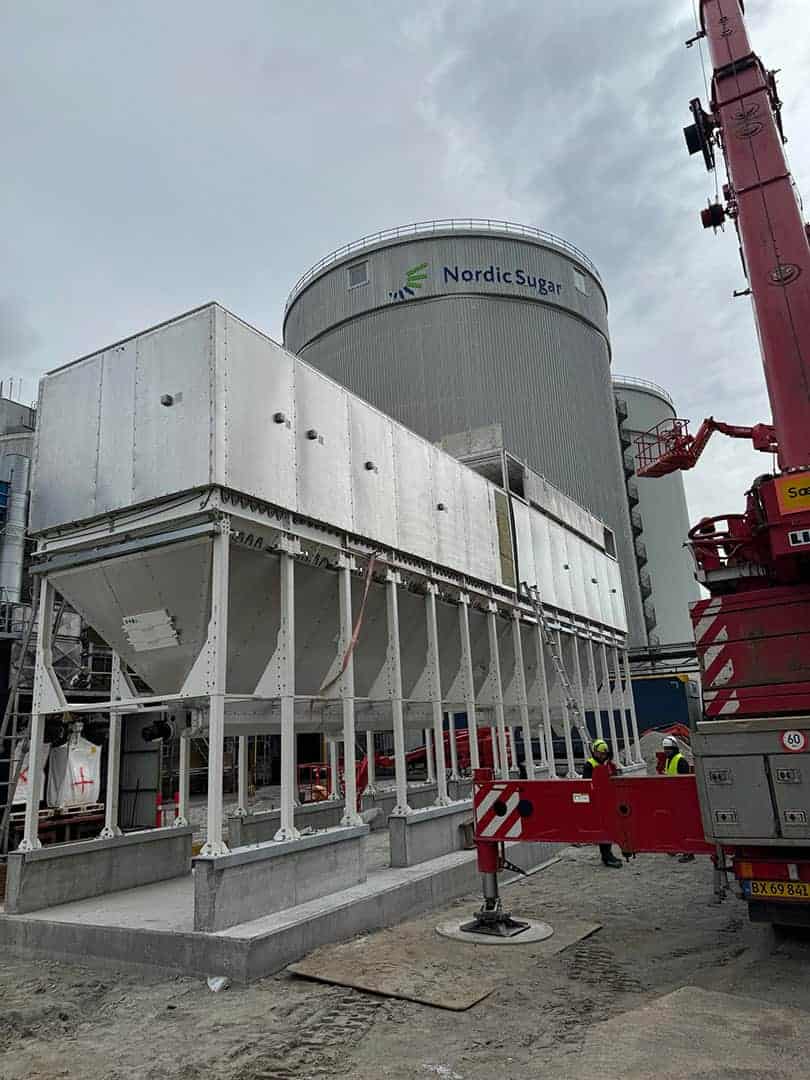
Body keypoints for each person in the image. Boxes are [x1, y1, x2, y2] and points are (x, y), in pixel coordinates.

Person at [581, 738, 623, 868]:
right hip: (597, 801)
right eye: (600, 753)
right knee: (604, 829)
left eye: (604, 753)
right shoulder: (590, 764)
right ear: (595, 752)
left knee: (609, 828)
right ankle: (606, 856)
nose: (602, 755)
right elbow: (587, 783)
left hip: (607, 800)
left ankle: (608, 854)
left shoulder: (607, 763)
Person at [661, 736, 695, 863]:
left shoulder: (681, 761)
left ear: (674, 748)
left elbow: (685, 782)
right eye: (665, 749)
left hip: (681, 800)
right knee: (674, 826)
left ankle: (689, 852)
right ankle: (676, 847)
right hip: (672, 798)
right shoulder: (669, 760)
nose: (666, 751)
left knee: (684, 827)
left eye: (669, 749)